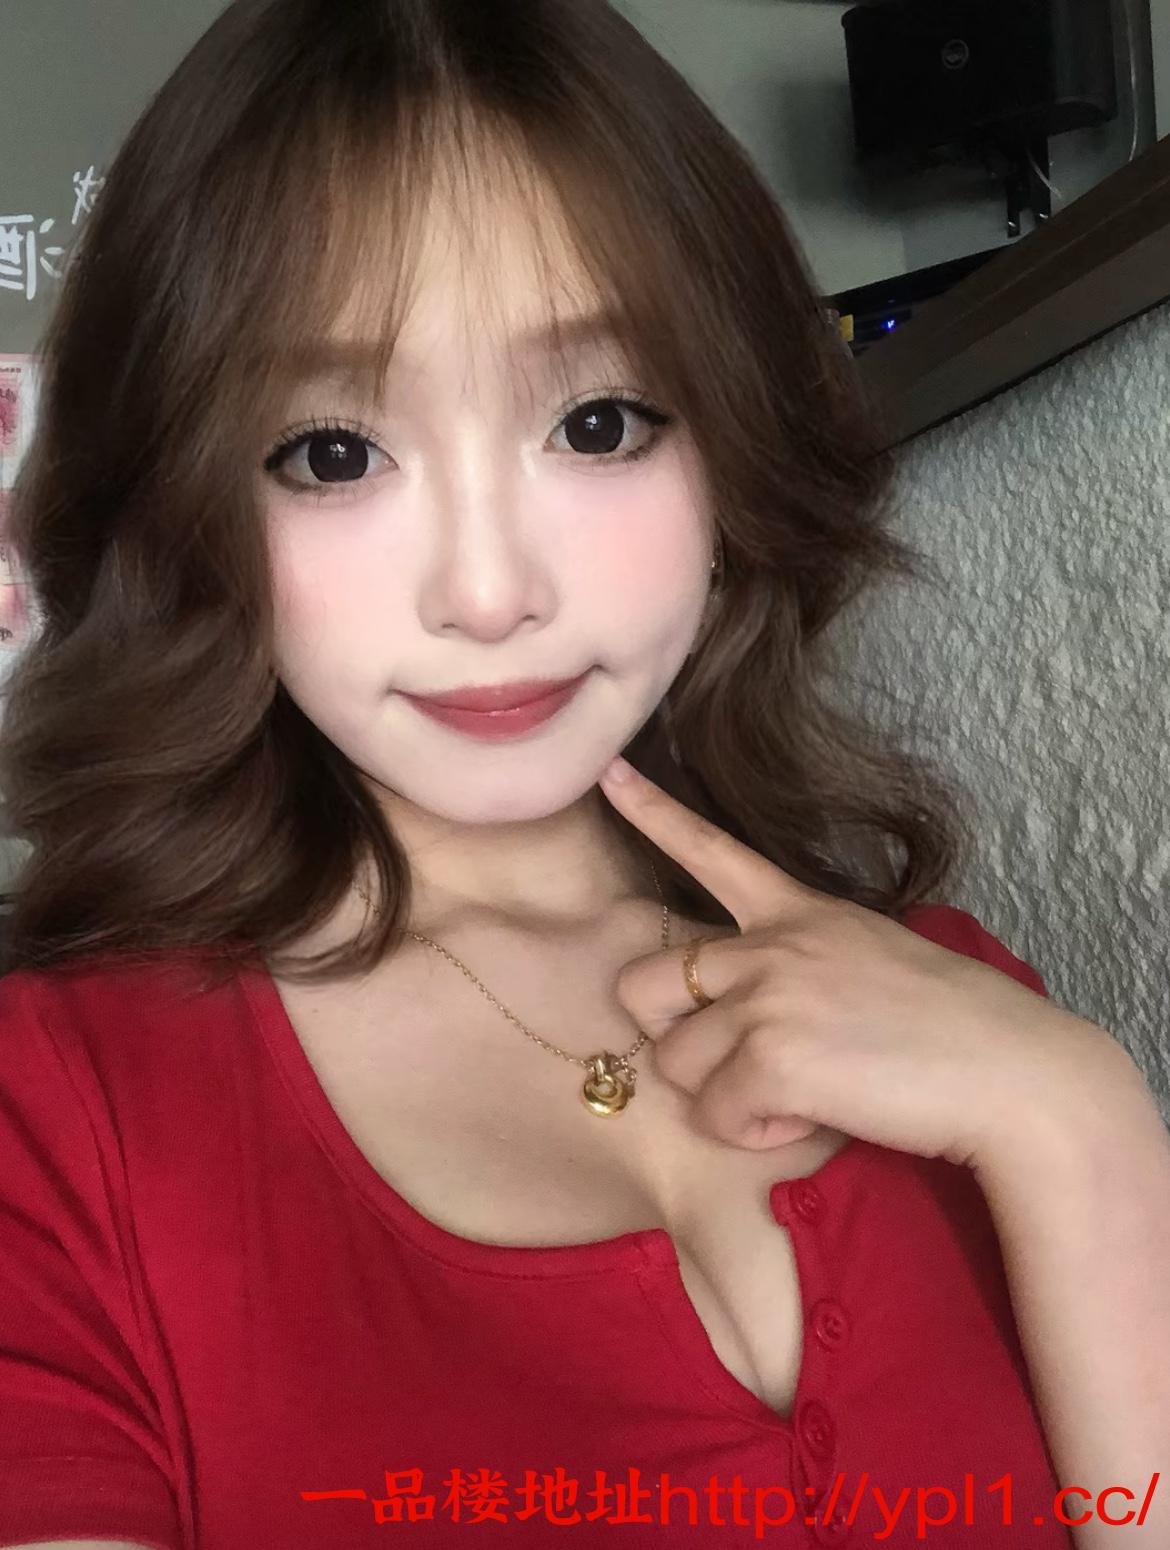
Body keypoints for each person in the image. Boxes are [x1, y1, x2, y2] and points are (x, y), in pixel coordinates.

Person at [0, 2, 1167, 1547]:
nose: (489, 594)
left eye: (598, 422)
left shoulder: (961, 1005)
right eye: (332, 453)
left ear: (733, 442)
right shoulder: (55, 1115)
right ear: (183, 510)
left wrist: (1078, 1123)